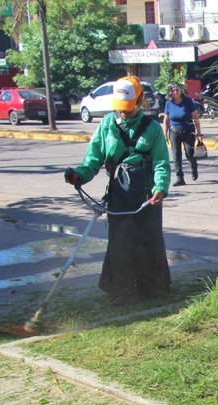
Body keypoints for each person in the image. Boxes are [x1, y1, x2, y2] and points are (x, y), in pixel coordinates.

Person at [65, 76, 172, 304]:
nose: (123, 112)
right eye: (120, 107)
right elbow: (93, 158)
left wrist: (160, 188)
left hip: (146, 192)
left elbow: (161, 162)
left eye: (128, 107)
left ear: (139, 100)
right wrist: (79, 175)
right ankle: (123, 291)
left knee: (148, 239)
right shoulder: (107, 124)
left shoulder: (152, 129)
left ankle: (153, 289)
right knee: (121, 242)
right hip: (119, 191)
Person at [162, 82, 203, 186]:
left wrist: (199, 133)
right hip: (174, 131)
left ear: (181, 91)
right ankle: (180, 178)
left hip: (188, 131)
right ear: (171, 92)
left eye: (178, 90)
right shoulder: (168, 103)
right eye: (174, 90)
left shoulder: (188, 101)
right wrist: (165, 134)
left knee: (189, 153)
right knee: (176, 155)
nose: (176, 92)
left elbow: (195, 117)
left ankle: (194, 166)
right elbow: (166, 120)